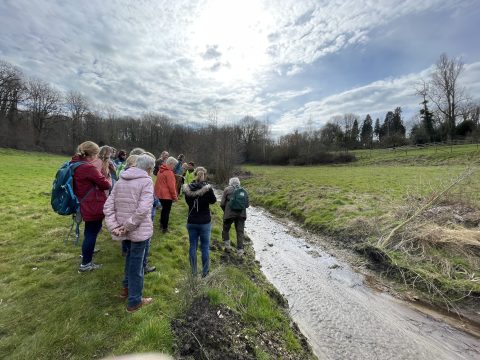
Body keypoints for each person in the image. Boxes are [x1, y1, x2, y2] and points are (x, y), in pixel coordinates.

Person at [103, 154, 155, 313]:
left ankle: (126, 290)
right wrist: (124, 227)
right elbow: (143, 210)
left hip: (125, 231)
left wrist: (116, 227)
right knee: (136, 267)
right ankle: (134, 302)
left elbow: (108, 207)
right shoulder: (146, 181)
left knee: (129, 261)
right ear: (149, 169)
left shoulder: (120, 180)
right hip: (138, 232)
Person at [71, 141, 112, 272]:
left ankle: (86, 254)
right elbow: (105, 184)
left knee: (89, 231)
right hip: (92, 204)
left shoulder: (74, 163)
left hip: (81, 202)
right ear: (93, 154)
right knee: (91, 233)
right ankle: (86, 264)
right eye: (96, 154)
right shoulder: (87, 168)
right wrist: (107, 179)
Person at [183, 167, 216, 277]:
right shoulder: (208, 188)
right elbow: (213, 201)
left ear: (195, 174)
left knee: (193, 246)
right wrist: (208, 190)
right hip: (205, 222)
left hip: (192, 220)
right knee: (205, 247)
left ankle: (194, 272)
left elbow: (188, 202)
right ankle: (205, 273)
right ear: (204, 175)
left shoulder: (188, 188)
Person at [221, 177, 249, 256]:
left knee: (226, 229)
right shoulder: (244, 191)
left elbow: (222, 204)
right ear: (239, 183)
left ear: (230, 183)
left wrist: (225, 211)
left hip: (229, 214)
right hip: (241, 214)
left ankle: (227, 247)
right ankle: (240, 251)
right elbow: (247, 205)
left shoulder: (227, 190)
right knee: (240, 232)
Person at [154, 156, 178, 233]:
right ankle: (165, 228)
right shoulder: (169, 173)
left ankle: (161, 224)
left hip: (160, 195)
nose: (174, 167)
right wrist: (175, 197)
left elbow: (157, 183)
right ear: (170, 163)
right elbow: (172, 187)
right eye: (174, 165)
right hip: (167, 196)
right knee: (166, 211)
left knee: (163, 210)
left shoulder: (160, 171)